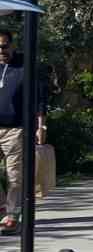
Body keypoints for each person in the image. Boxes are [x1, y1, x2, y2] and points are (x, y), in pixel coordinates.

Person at [0, 29, 46, 234]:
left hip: (15, 129)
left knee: (14, 175)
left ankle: (11, 215)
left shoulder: (25, 66)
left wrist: (41, 125)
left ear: (12, 45)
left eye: (4, 46)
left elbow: (39, 96)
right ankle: (3, 206)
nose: (1, 51)